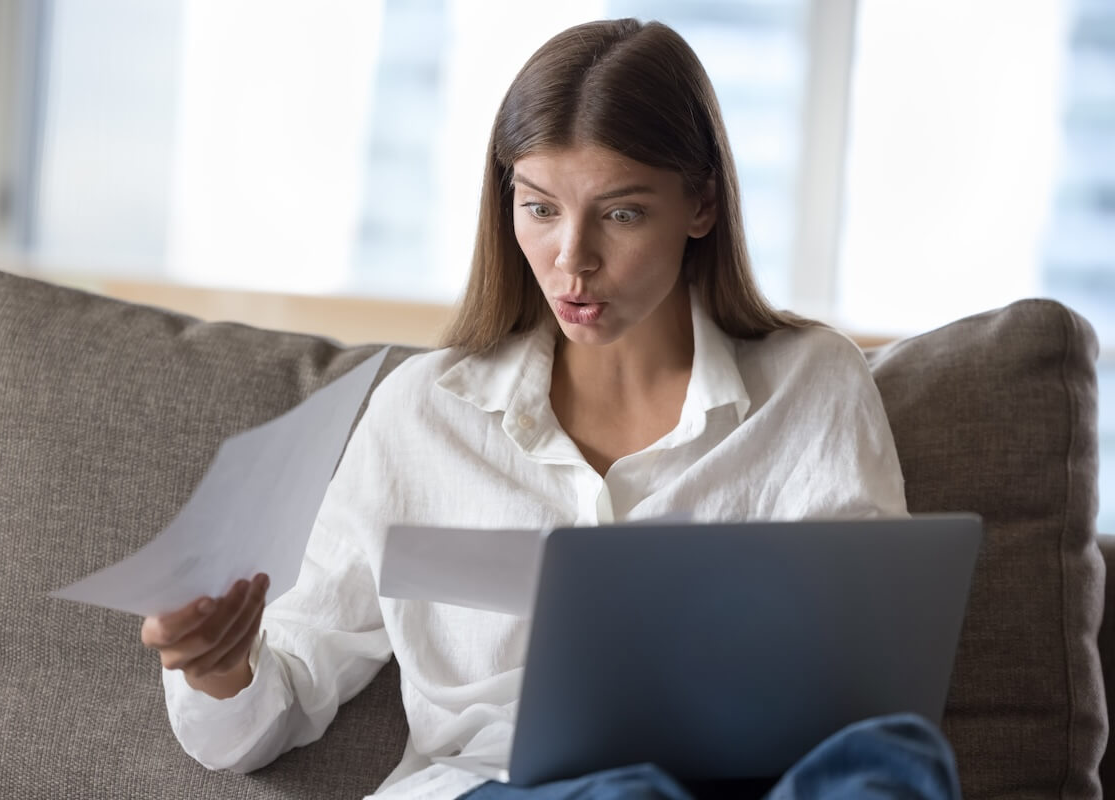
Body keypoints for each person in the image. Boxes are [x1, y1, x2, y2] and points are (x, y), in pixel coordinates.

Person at [140, 18, 962, 800]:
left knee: (895, 755)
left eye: (622, 213)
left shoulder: (810, 384)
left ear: (701, 207)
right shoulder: (424, 415)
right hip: (496, 785)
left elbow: (866, 680)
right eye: (539, 208)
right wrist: (219, 667)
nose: (574, 260)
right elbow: (268, 708)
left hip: (739, 779)